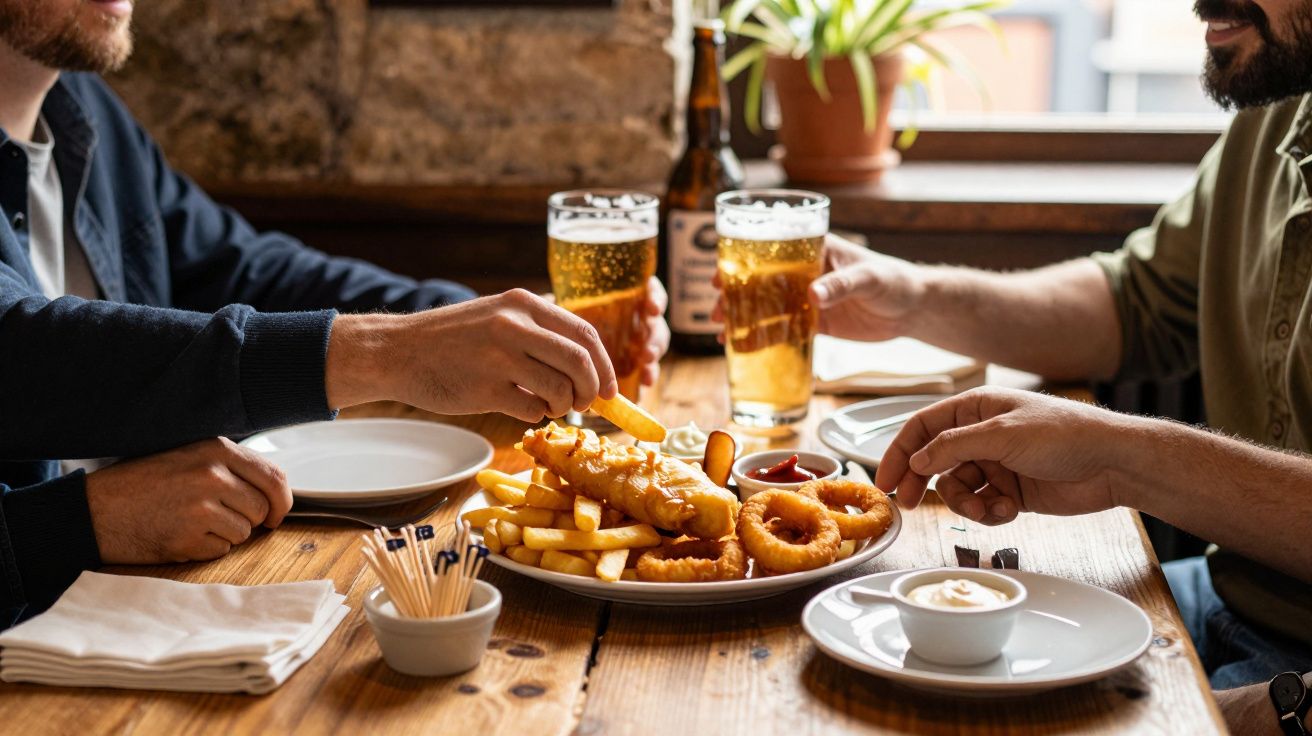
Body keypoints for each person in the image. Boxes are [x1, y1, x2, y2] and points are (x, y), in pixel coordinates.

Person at [0, 0, 669, 626]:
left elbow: (247, 268)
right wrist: (71, 525)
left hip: (151, 606)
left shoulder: (83, 114)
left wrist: (485, 331)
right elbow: (23, 350)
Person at [801, 0, 1312, 731]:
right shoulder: (1281, 104)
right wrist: (911, 296)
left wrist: (1121, 458)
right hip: (1219, 594)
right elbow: (1136, 302)